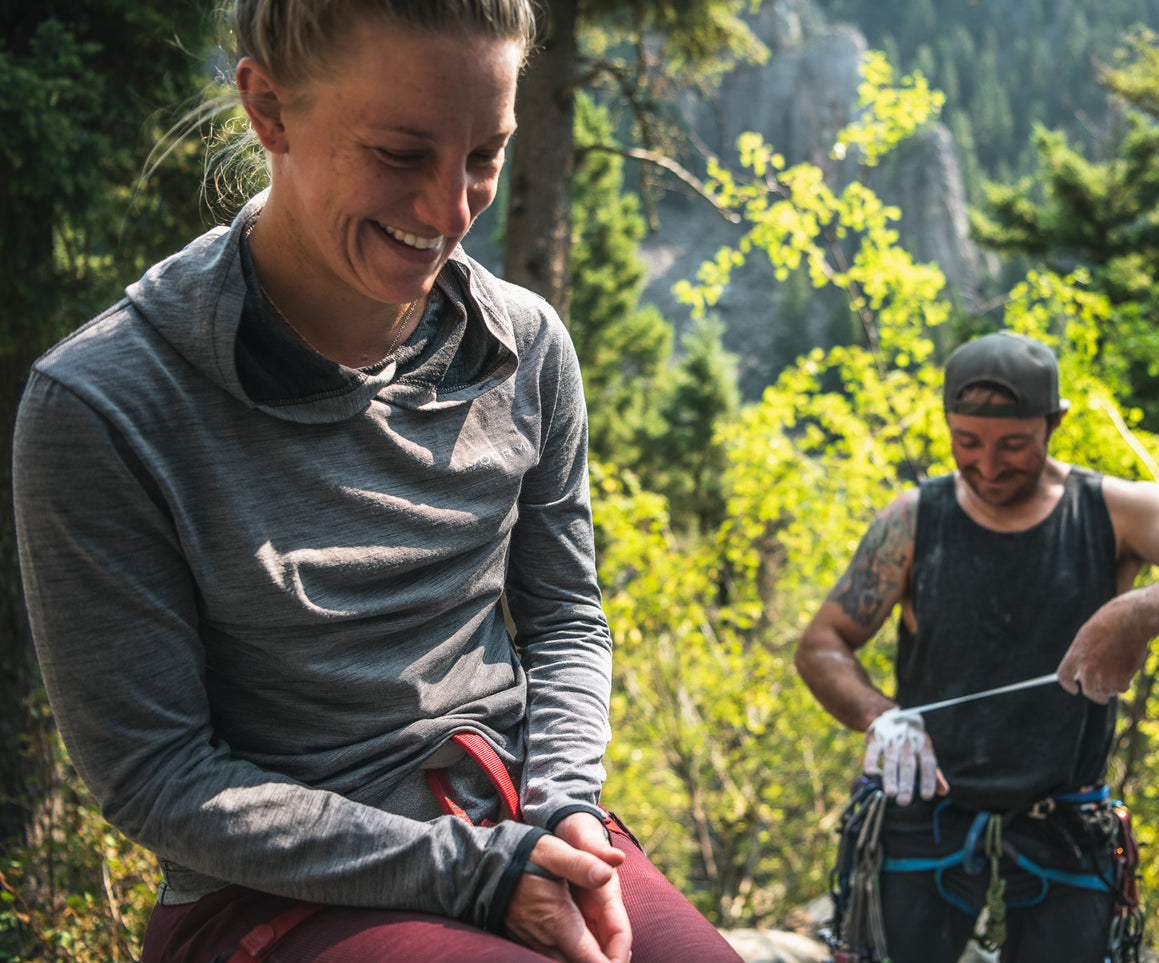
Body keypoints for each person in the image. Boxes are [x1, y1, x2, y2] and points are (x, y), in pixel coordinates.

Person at [12, 2, 745, 961]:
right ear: (268, 108)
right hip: (272, 892)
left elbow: (566, 616)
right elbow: (156, 775)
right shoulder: (108, 404)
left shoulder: (524, 348)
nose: (451, 210)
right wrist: (475, 872)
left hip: (517, 825)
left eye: (485, 154)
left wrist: (566, 804)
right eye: (401, 154)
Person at [795, 331, 1159, 963]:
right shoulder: (913, 520)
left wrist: (1138, 612)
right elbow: (822, 644)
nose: (987, 464)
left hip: (1065, 830)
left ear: (1054, 422)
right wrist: (879, 716)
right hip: (923, 820)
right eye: (966, 441)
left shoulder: (1112, 512)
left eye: (1012, 444)